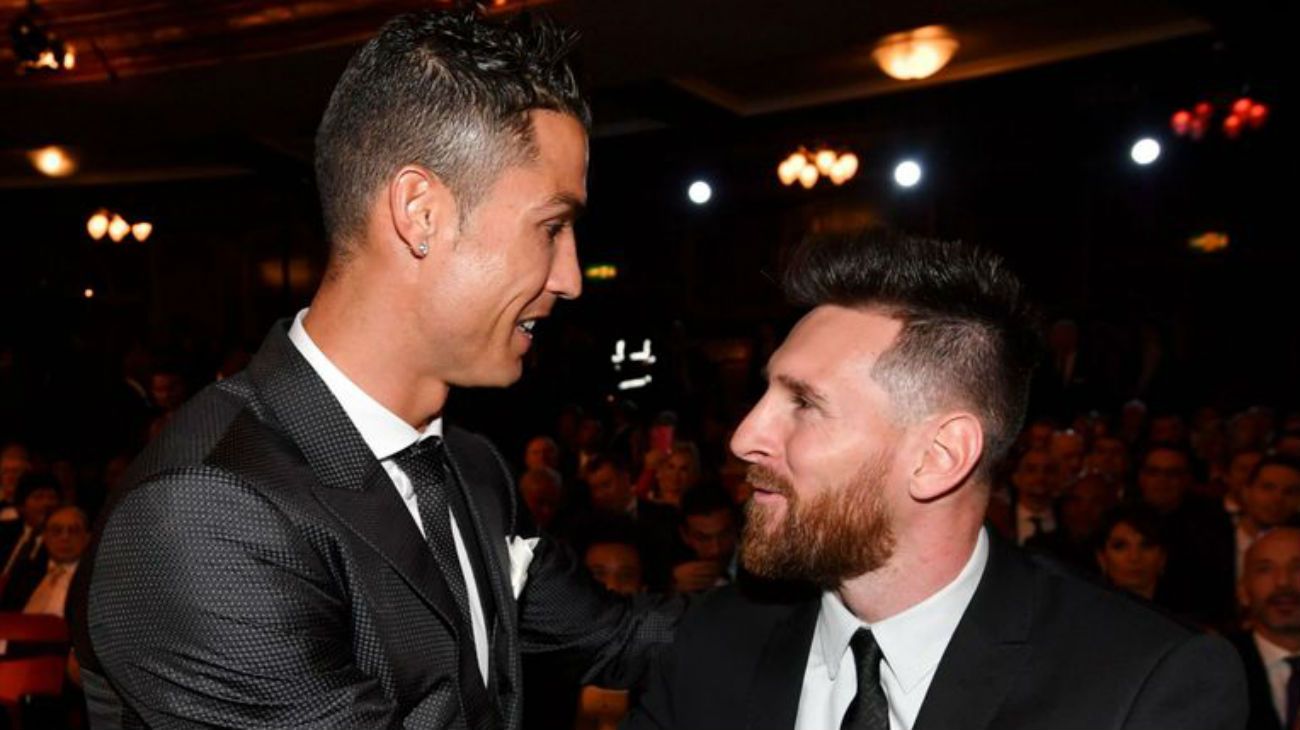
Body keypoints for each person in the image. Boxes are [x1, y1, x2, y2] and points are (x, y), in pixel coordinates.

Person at [71, 10, 679, 728]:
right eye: (551, 227)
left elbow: (629, 640)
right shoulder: (207, 512)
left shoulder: (469, 467)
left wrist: (841, 589)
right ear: (420, 212)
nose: (572, 277)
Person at [626, 228, 1247, 730]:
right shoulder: (714, 640)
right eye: (765, 393)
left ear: (940, 456)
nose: (743, 437)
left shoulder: (1142, 684)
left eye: (805, 404)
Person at [1229, 527, 1300, 730]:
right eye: (1265, 569)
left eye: (1297, 567)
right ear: (1243, 591)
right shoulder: (1218, 666)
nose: (1283, 582)